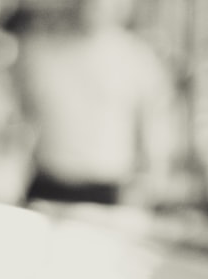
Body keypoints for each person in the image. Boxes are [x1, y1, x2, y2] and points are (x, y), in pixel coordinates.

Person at [12, 0, 173, 206]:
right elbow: (18, 125)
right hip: (47, 187)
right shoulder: (38, 54)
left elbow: (154, 132)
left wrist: (149, 185)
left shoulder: (138, 59)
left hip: (109, 190)